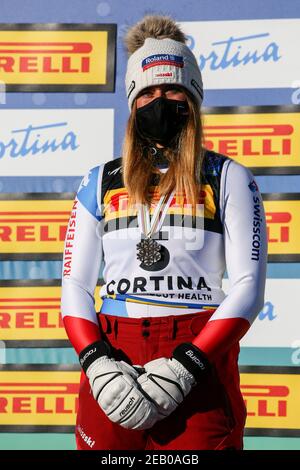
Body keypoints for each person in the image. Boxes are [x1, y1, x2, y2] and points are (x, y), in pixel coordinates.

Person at [61, 14, 267, 450]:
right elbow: (75, 285)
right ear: (133, 102)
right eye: (148, 92)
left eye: (173, 89)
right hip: (114, 355)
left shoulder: (228, 176)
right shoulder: (98, 181)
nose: (160, 101)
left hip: (200, 350)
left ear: (193, 98)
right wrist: (97, 363)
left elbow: (248, 287)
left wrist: (187, 365)